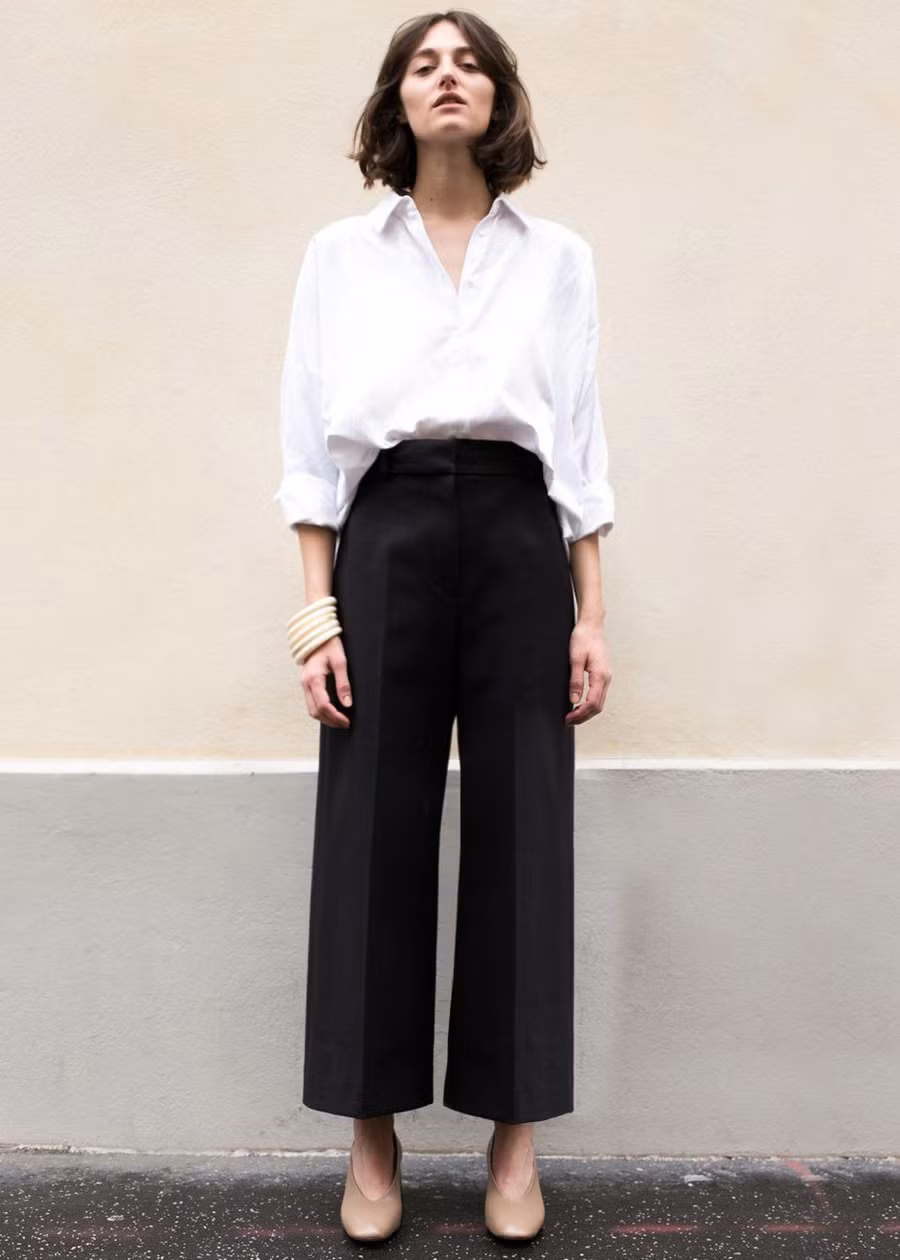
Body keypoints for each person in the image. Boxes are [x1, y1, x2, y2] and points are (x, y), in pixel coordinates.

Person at [275, 9, 614, 1243]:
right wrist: (317, 615)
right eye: (424, 64)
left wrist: (590, 612)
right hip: (390, 528)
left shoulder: (558, 258)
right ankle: (371, 1138)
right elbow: (310, 441)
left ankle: (515, 1141)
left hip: (521, 533)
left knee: (527, 822)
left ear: (499, 96)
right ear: (397, 102)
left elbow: (580, 439)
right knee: (372, 822)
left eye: (469, 61)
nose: (448, 77)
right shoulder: (340, 256)